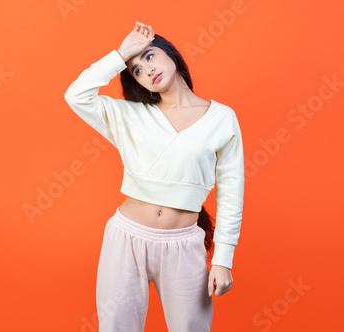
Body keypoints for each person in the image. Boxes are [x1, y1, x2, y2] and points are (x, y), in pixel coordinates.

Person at [64, 21, 244, 332]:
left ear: (170, 54)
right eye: (135, 69)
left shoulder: (222, 118)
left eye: (148, 56)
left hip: (184, 246)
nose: (146, 69)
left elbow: (231, 189)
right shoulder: (129, 116)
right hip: (125, 239)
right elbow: (76, 95)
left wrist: (223, 258)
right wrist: (121, 54)